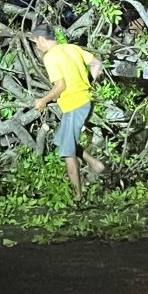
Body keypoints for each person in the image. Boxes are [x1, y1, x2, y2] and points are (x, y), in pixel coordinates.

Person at [31, 24, 106, 200]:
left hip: (74, 105)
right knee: (60, 140)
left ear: (41, 39)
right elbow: (96, 63)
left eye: (36, 42)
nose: (37, 47)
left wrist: (43, 101)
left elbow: (60, 86)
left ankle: (77, 196)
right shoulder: (72, 48)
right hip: (84, 101)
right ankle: (96, 164)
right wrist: (87, 82)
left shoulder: (50, 57)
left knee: (67, 152)